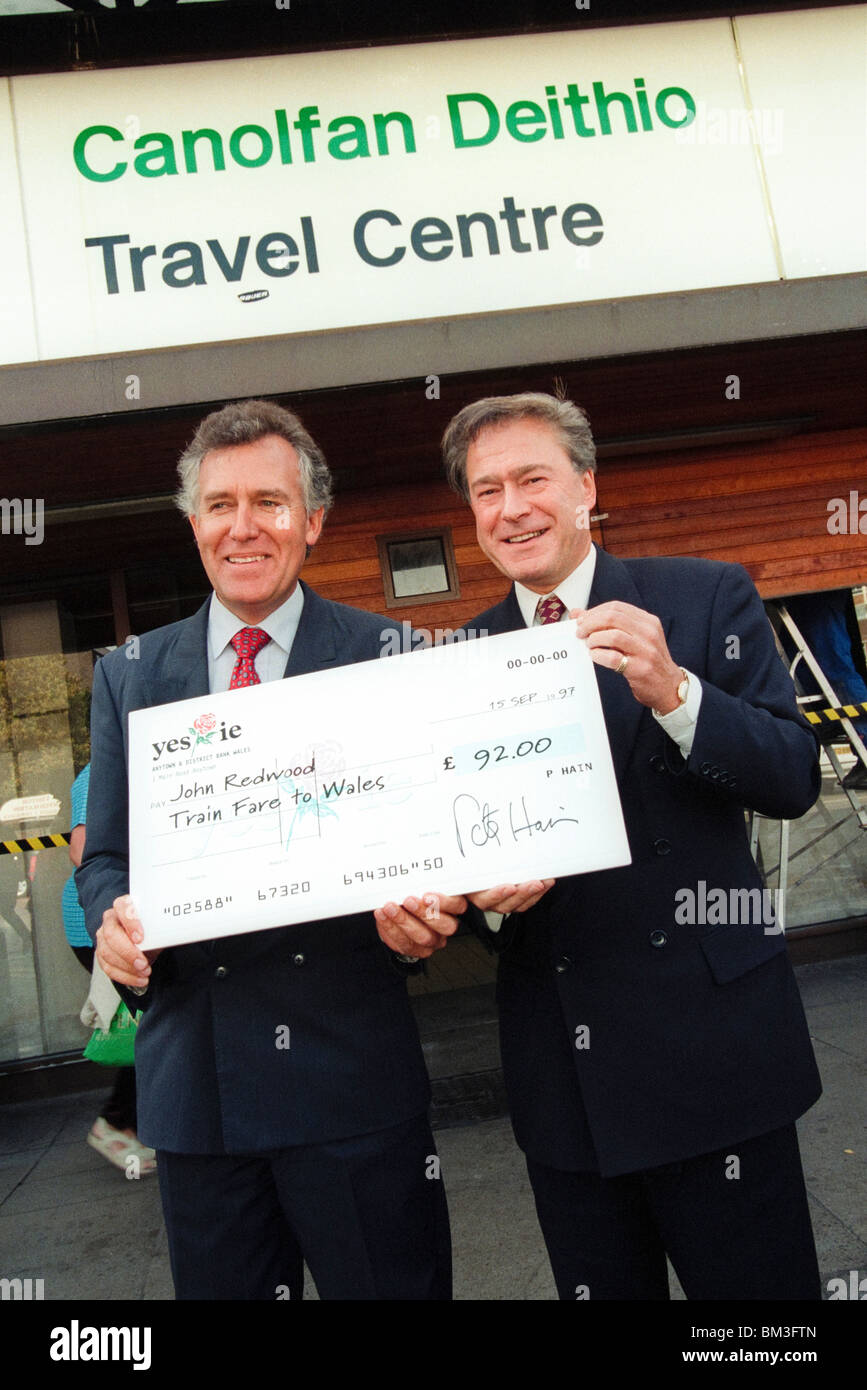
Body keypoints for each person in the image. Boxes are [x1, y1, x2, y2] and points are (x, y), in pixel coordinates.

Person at [377, 392, 823, 1301]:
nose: (512, 507)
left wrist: (674, 692)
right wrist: (469, 907)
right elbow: (452, 868)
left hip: (714, 1053)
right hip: (565, 1080)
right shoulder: (455, 664)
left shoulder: (703, 597)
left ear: (585, 485)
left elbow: (791, 778)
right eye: (486, 489)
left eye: (533, 478)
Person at [77, 399, 461, 1301]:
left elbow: (431, 846)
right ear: (193, 522)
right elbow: (105, 858)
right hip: (197, 1098)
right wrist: (113, 922)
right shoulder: (129, 671)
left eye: (270, 503)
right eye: (219, 504)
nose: (242, 527)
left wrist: (434, 909)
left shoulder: (385, 654)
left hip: (353, 1088)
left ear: (314, 521)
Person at [62, 762, 155, 1174]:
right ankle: (115, 1122)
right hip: (100, 924)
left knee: (149, 1020)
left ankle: (127, 1123)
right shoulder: (97, 771)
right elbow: (80, 848)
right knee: (148, 1022)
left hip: (121, 920)